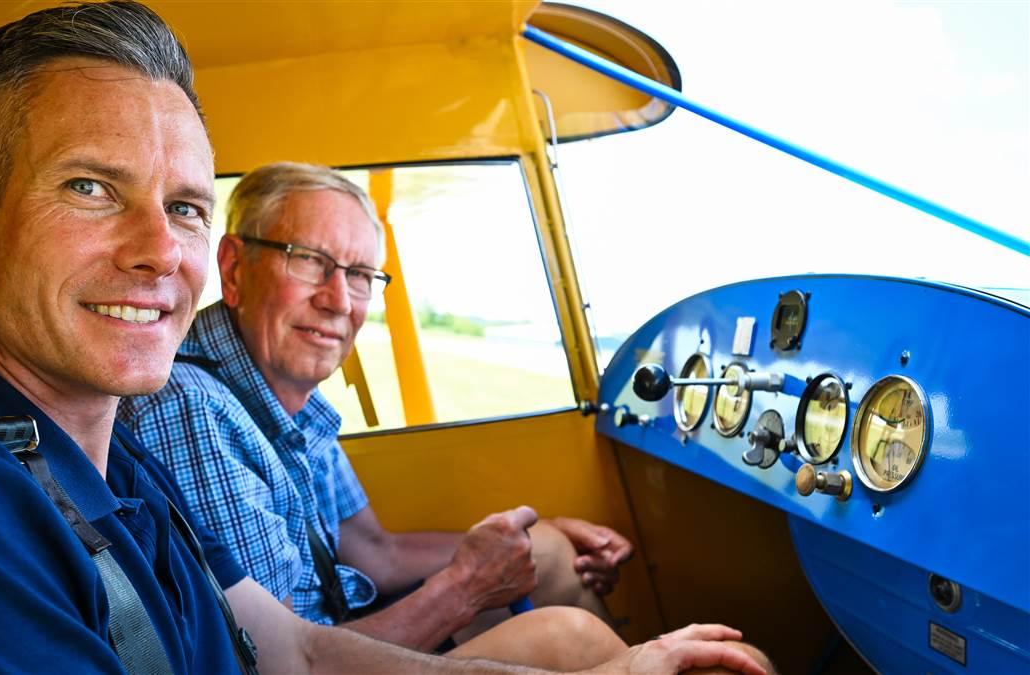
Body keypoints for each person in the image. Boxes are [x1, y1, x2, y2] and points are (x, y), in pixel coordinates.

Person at [0, 2, 771, 674]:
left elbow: (296, 649)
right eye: (91, 188)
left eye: (185, 206)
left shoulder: (100, 447)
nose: (161, 252)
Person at [116, 160, 738, 655]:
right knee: (566, 640)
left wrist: (515, 541)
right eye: (309, 260)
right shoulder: (192, 410)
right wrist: (466, 585)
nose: (339, 300)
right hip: (312, 658)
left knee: (547, 548)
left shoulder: (281, 390)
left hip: (337, 631)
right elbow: (279, 657)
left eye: (360, 274)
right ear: (233, 267)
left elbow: (375, 552)